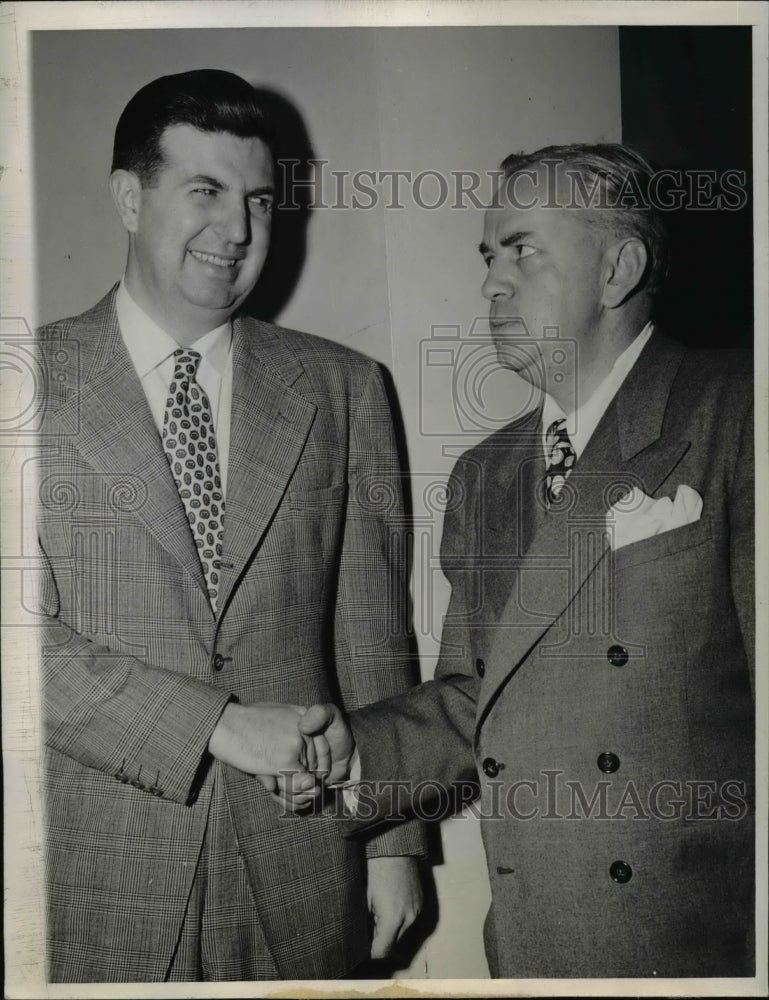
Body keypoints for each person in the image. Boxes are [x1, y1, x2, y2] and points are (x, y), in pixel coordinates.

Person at [299, 144, 755, 978]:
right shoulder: (485, 474)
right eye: (486, 256)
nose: (491, 283)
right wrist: (349, 752)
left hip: (697, 948)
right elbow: (477, 697)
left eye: (522, 249)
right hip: (532, 947)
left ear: (618, 268)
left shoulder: (736, 412)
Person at [37, 68, 424, 983]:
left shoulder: (343, 388)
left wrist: (392, 841)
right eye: (203, 191)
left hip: (298, 865)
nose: (239, 230)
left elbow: (371, 633)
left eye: (258, 200)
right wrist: (219, 727)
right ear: (130, 198)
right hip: (88, 863)